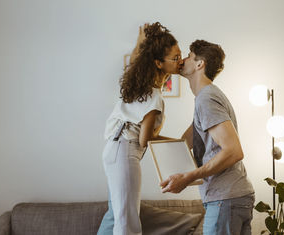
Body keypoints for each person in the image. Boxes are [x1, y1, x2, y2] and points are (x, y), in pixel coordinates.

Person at [160, 40, 255, 235]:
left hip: (225, 199)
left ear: (199, 64)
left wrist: (188, 177)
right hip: (232, 197)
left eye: (188, 56)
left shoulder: (206, 99)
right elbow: (184, 143)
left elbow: (234, 151)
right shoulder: (205, 98)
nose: (183, 60)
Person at [97, 22, 183, 235]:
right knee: (127, 222)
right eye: (175, 58)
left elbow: (136, 58)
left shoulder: (142, 87)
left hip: (114, 149)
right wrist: (179, 144)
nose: (180, 61)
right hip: (125, 152)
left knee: (117, 215)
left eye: (180, 55)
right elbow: (146, 139)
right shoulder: (153, 96)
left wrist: (140, 40)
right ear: (158, 63)